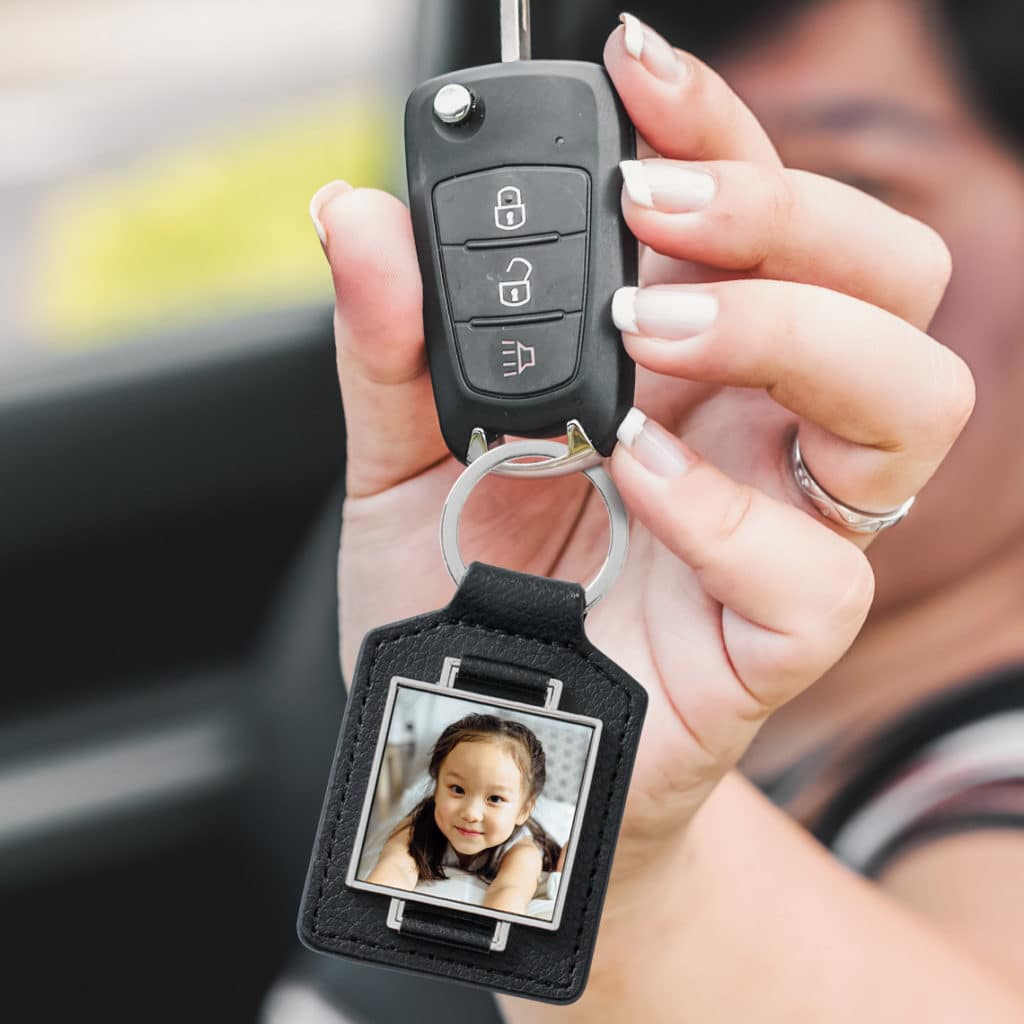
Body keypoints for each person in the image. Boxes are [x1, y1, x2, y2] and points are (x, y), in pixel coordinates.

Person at [307, 1, 1024, 1019]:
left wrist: (622, 864)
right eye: (618, 215)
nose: (751, 288)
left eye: (853, 183)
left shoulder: (990, 787)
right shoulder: (523, 538)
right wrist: (526, 683)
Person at [366, 714, 561, 915]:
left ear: (523, 811)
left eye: (494, 799)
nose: (471, 814)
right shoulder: (418, 826)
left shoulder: (522, 851)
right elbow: (394, 868)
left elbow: (509, 892)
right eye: (457, 789)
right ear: (437, 788)